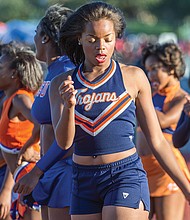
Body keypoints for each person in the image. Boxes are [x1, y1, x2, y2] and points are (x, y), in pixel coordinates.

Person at [47, 2, 190, 220]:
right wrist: (68, 107)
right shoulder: (61, 84)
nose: (101, 46)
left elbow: (157, 141)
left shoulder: (133, 76)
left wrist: (187, 190)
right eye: (92, 39)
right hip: (82, 178)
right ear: (80, 38)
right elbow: (64, 143)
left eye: (108, 39)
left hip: (123, 174)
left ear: (116, 39)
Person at [13, 5, 75, 220]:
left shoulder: (67, 71)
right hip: (51, 168)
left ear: (46, 38)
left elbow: (66, 135)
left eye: (36, 34)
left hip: (65, 170)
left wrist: (37, 171)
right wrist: (33, 140)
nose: (34, 40)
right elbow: (48, 119)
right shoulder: (53, 70)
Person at [136, 42, 190, 220]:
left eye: (154, 69)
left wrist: (142, 99)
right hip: (143, 170)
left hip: (167, 171)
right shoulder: (151, 94)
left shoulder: (181, 97)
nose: (150, 75)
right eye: (147, 70)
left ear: (171, 67)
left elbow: (165, 120)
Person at [0, 41, 43, 220]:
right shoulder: (9, 100)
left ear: (13, 74)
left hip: (29, 177)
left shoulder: (20, 99)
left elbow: (42, 123)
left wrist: (29, 146)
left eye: (0, 66)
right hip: (21, 178)